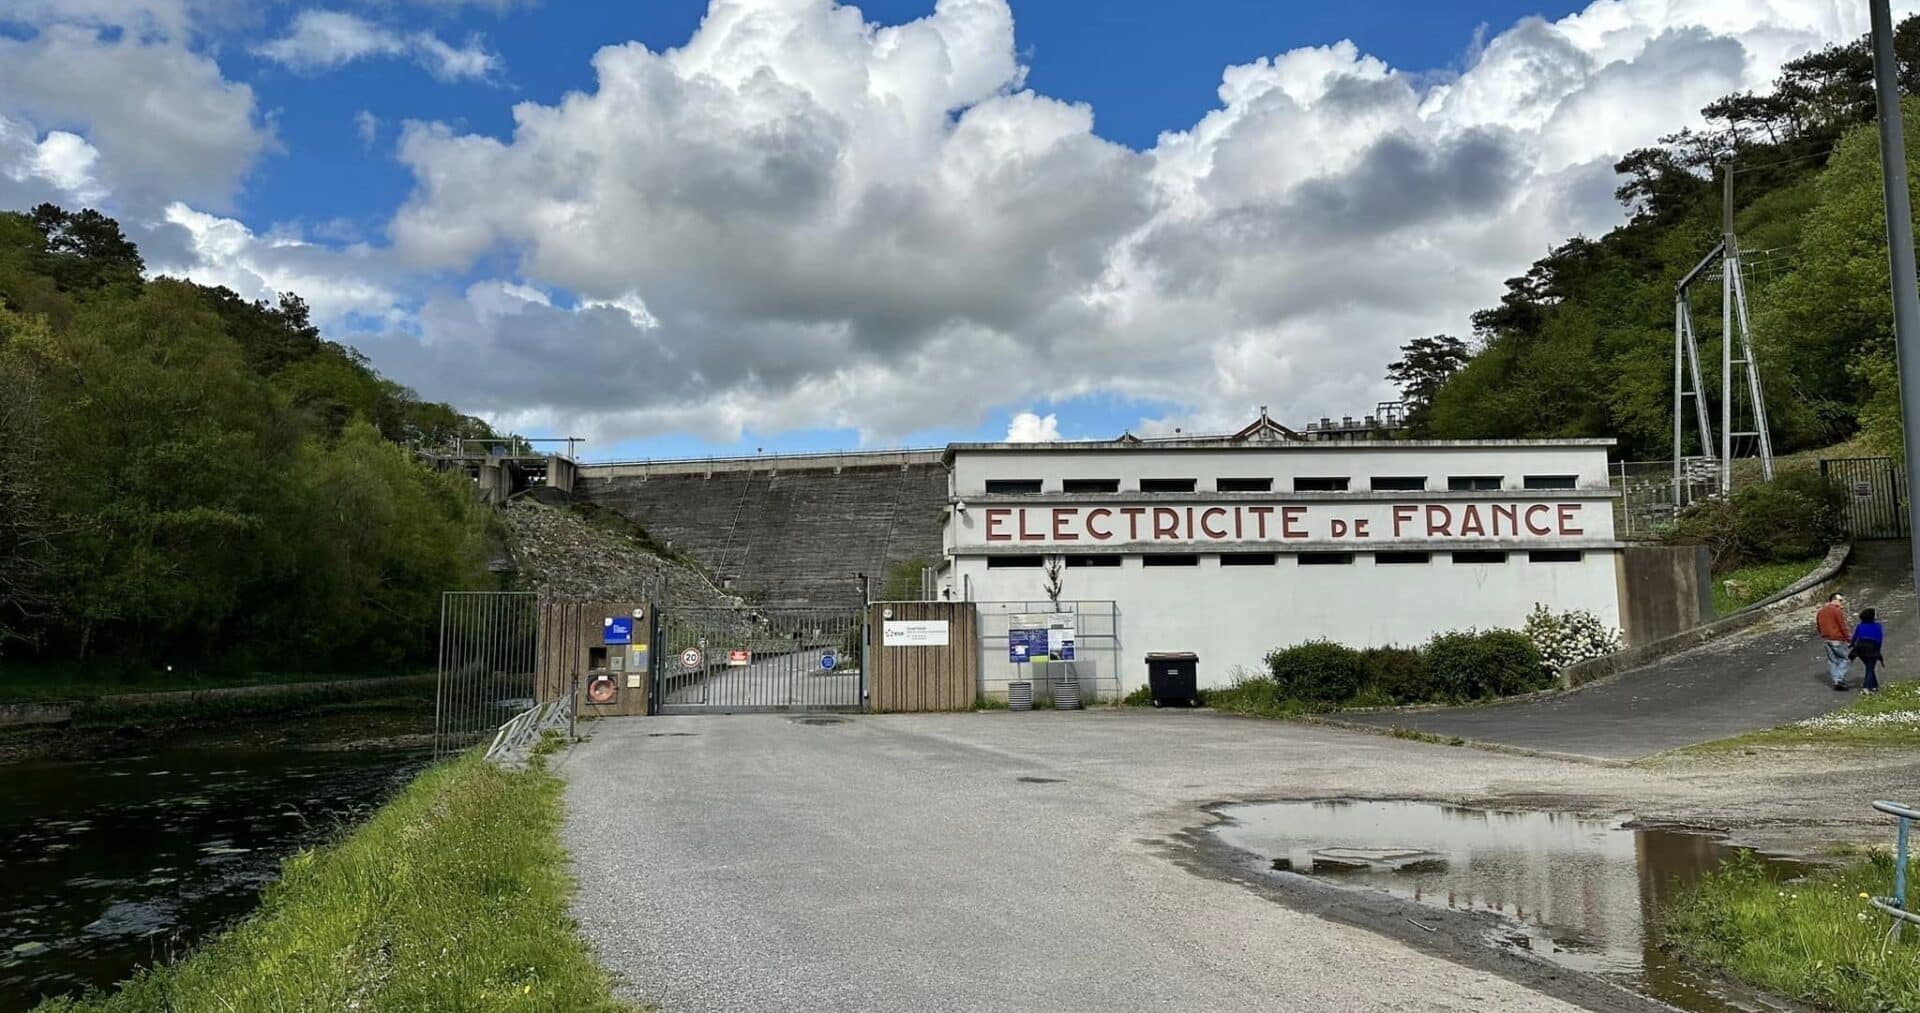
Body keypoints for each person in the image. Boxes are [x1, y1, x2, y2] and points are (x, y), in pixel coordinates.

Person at [1817, 592, 1852, 691]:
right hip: (1836, 638)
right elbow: (1842, 626)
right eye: (1840, 600)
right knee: (1845, 659)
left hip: (1826, 639)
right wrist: (1849, 639)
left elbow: (1819, 626)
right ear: (1834, 600)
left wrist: (1823, 635)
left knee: (1832, 661)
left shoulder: (1821, 611)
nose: (1842, 603)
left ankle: (1836, 681)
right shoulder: (1836, 611)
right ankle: (1839, 679)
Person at [1851, 608, 1885, 694]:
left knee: (1869, 667)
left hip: (1860, 648)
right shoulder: (1877, 626)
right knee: (1870, 668)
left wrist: (1852, 644)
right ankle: (1866, 686)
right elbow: (1879, 639)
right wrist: (1878, 651)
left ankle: (1874, 685)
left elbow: (1855, 637)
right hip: (1872, 647)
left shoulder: (1860, 626)